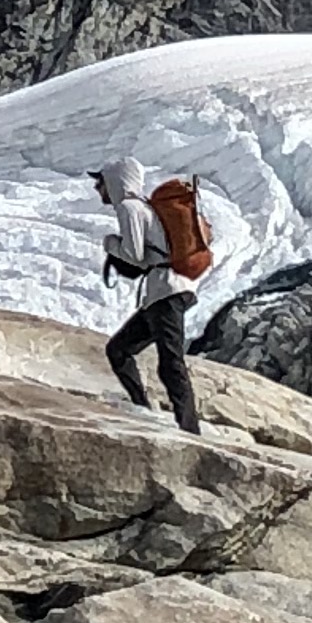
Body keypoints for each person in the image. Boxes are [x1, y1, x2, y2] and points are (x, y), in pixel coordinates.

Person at [90, 157, 203, 434]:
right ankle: (144, 409)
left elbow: (135, 255)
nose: (98, 189)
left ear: (115, 181)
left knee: (170, 361)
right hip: (165, 291)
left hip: (166, 290)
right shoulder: (141, 207)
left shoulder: (129, 207)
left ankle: (189, 429)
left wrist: (111, 244)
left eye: (100, 182)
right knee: (119, 350)